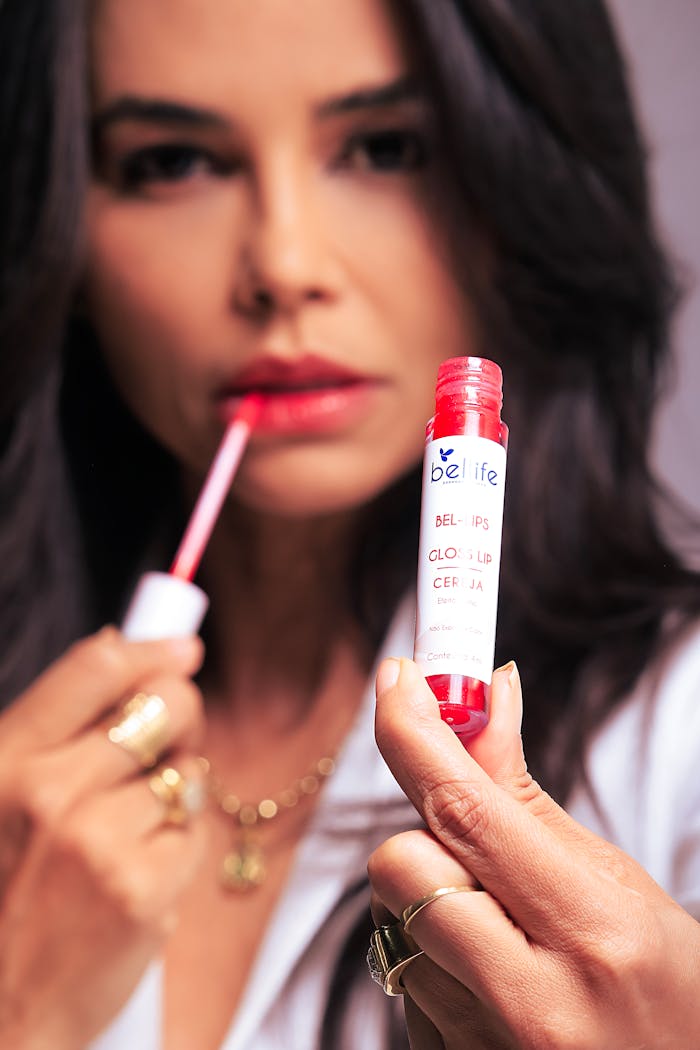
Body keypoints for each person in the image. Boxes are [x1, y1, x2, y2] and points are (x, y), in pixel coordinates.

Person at [1, 1, 698, 1048]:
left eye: (384, 148)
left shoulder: (678, 736)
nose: (282, 264)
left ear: (521, 182)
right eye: (174, 162)